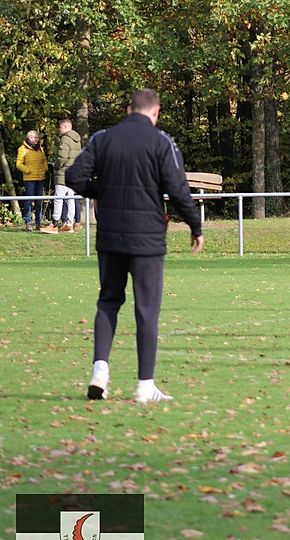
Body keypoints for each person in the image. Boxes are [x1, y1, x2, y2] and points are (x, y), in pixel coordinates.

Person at [66, 89, 205, 403]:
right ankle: (144, 385)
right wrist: (195, 227)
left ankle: (100, 371)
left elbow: (74, 176)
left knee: (108, 301)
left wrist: (99, 191)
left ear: (129, 109)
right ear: (156, 112)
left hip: (110, 237)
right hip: (147, 239)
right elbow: (178, 189)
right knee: (146, 309)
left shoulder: (103, 139)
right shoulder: (162, 142)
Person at [41, 119, 82, 234]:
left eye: (59, 127)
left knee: (58, 198)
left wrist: (56, 167)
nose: (58, 130)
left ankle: (54, 224)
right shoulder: (77, 140)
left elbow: (61, 157)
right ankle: (69, 225)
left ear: (65, 127)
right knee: (70, 199)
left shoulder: (65, 139)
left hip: (63, 174)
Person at [16, 130, 48, 231]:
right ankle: (28, 222)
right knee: (28, 200)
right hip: (29, 179)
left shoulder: (40, 149)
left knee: (39, 201)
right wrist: (28, 170)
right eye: (35, 137)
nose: (38, 139)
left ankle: (39, 222)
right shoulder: (22, 149)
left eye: (38, 137)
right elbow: (18, 164)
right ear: (30, 138)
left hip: (40, 178)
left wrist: (45, 169)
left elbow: (44, 160)